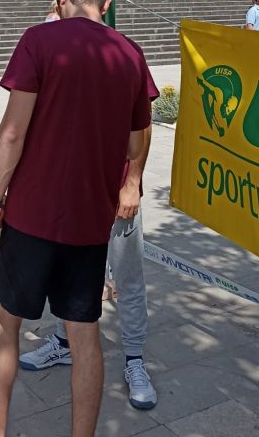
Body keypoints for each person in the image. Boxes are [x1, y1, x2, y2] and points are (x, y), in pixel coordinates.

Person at [0, 0, 151, 437]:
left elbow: (12, 130)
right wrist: (131, 183)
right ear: (106, 3)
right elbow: (140, 140)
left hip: (33, 216)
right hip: (90, 223)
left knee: (5, 323)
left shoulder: (40, 42)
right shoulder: (130, 54)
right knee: (85, 336)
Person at [18, 100, 158, 410]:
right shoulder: (62, 55)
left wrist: (132, 184)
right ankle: (64, 342)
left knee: (128, 278)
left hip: (116, 193)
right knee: (69, 275)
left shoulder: (124, 56)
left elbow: (143, 125)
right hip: (70, 191)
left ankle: (134, 359)